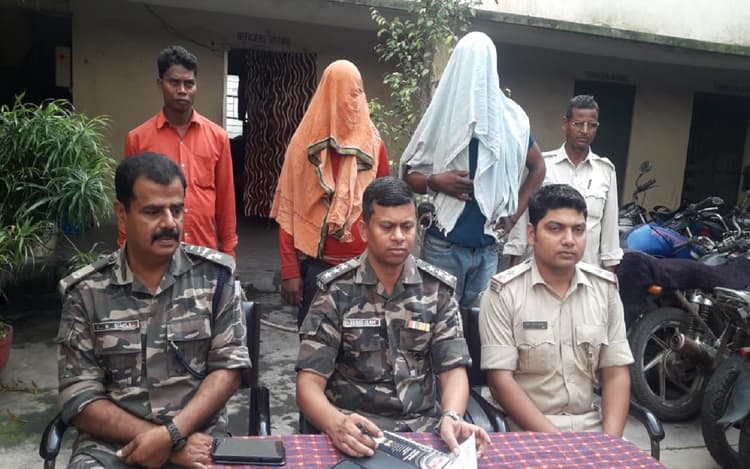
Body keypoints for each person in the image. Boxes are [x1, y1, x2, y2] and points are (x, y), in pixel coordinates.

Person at [57, 153, 251, 468]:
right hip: (112, 446)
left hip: (197, 437)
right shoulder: (87, 292)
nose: (170, 223)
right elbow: (78, 395)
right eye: (153, 211)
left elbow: (229, 371)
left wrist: (172, 434)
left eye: (177, 209)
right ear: (122, 214)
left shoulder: (216, 278)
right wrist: (163, 442)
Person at [295, 177, 490, 458]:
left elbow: (453, 369)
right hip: (356, 431)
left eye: (407, 227)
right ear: (364, 230)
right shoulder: (336, 291)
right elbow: (309, 383)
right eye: (387, 227)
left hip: (423, 431)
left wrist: (452, 416)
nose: (399, 236)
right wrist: (335, 423)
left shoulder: (436, 290)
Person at [400, 31, 545, 311]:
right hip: (443, 246)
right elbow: (408, 174)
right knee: (432, 326)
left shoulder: (511, 121)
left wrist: (514, 215)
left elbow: (538, 167)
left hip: (487, 249)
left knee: (478, 328)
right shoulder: (442, 116)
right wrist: (434, 182)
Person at [479, 184, 633, 435]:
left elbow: (616, 372)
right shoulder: (504, 293)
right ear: (532, 234)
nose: (569, 240)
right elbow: (500, 382)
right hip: (525, 431)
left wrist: (610, 442)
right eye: (555, 228)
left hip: (591, 428)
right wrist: (560, 444)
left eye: (578, 230)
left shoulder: (604, 290)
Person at [270, 60, 390, 328]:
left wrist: (385, 266)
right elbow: (288, 212)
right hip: (316, 267)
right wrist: (290, 270)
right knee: (314, 342)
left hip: (364, 269)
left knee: (364, 344)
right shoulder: (303, 147)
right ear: (328, 96)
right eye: (345, 94)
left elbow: (385, 210)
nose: (352, 102)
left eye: (357, 93)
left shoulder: (374, 146)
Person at [119, 45, 238, 257]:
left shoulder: (218, 137)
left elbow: (225, 200)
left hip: (204, 252)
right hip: (155, 252)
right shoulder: (138, 139)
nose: (182, 90)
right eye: (174, 83)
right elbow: (129, 202)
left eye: (189, 83)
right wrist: (124, 250)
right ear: (160, 84)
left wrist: (229, 251)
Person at [505, 95, 622, 270]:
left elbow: (610, 233)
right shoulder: (542, 166)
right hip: (541, 270)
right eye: (578, 124)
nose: (585, 131)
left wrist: (609, 276)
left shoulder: (605, 170)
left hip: (586, 272)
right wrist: (514, 266)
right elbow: (522, 222)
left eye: (591, 125)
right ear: (565, 123)